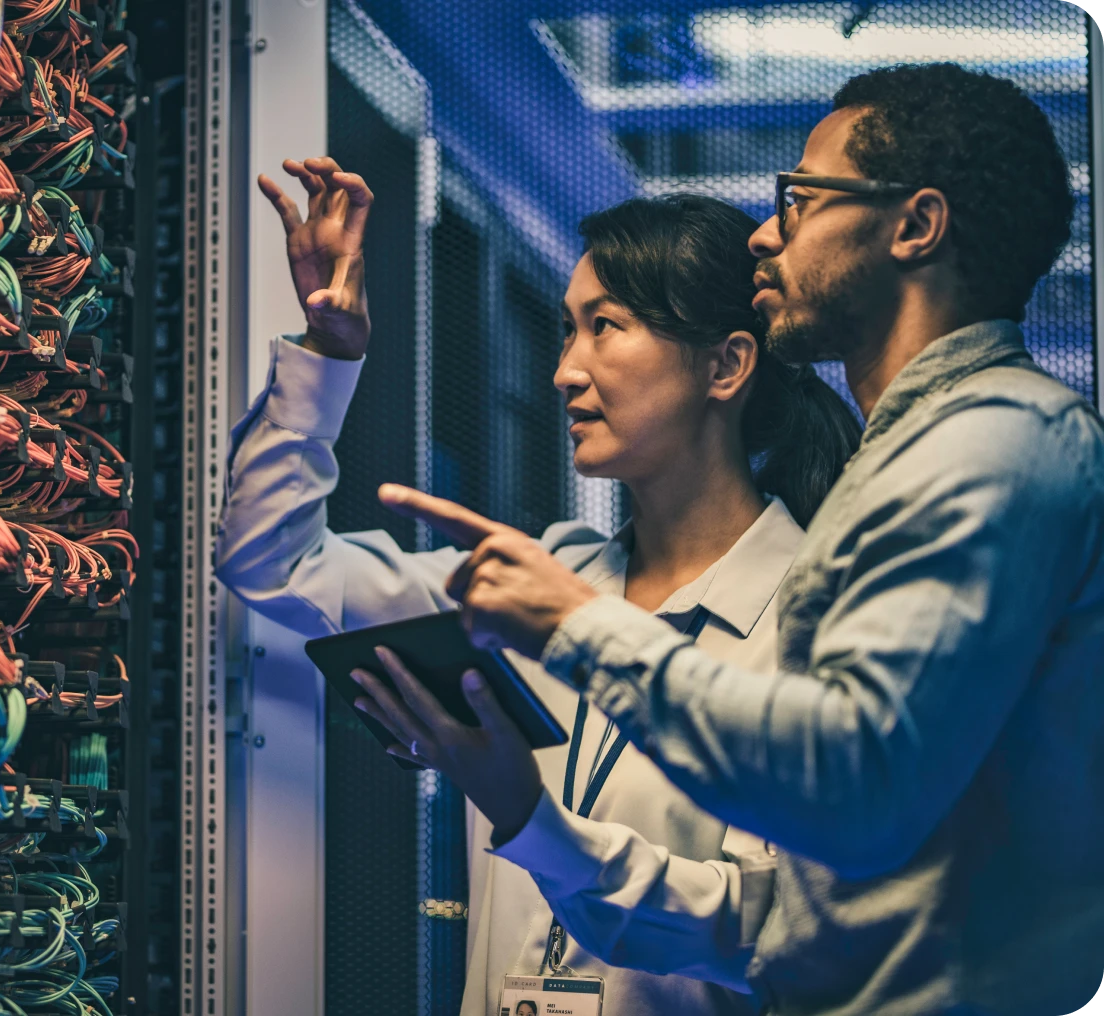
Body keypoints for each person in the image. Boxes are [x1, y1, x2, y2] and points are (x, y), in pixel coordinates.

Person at [372, 62, 1104, 1016]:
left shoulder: (995, 442)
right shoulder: (908, 462)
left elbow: (851, 778)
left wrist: (576, 626)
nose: (766, 234)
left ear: (915, 227)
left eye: (799, 201)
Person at [214, 158, 860, 1015]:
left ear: (726, 365)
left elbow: (757, 930)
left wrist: (528, 815)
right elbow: (273, 561)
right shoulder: (544, 581)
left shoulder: (811, 622)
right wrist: (328, 356)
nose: (565, 369)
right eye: (566, 329)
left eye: (606, 326)